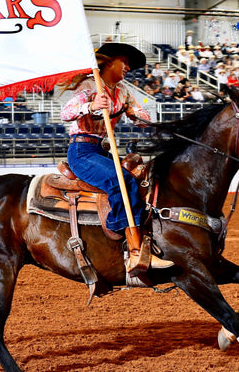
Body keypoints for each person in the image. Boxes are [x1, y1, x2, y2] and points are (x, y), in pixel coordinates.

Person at [60, 43, 173, 275]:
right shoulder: (89, 85)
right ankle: (129, 245)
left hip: (101, 151)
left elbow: (143, 117)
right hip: (82, 151)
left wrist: (136, 115)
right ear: (110, 62)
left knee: (140, 181)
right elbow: (65, 113)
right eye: (125, 62)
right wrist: (90, 106)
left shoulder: (123, 91)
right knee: (121, 181)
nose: (128, 68)